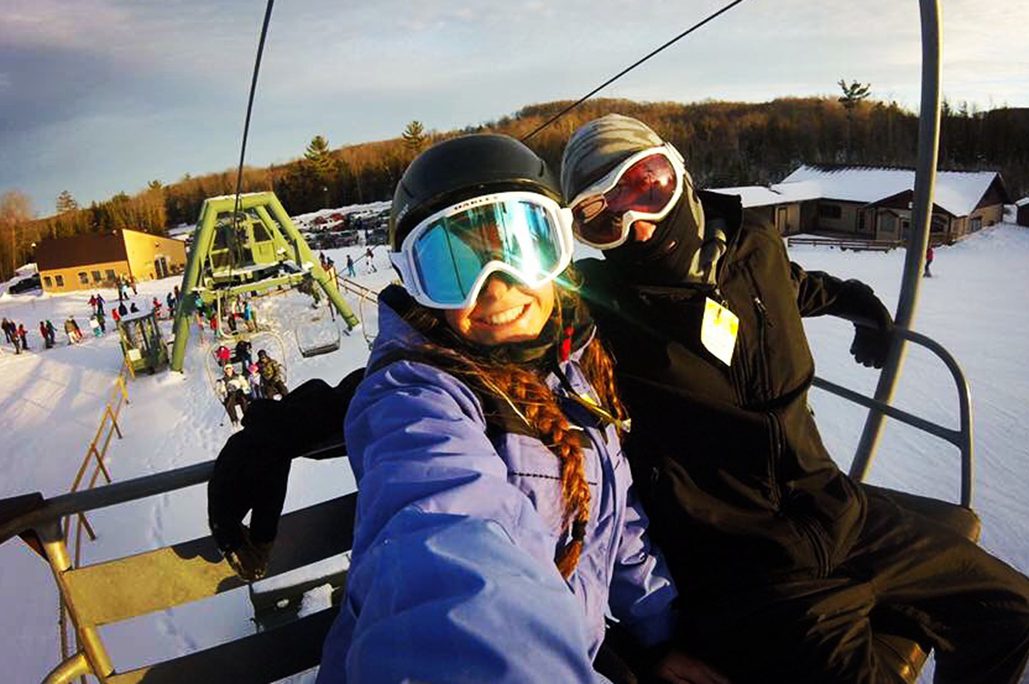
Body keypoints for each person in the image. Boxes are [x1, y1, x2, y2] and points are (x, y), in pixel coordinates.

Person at [560, 114, 1029, 683]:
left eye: (644, 186)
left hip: (837, 510)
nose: (635, 224)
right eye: (601, 217)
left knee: (1011, 613)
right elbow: (495, 364)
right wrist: (627, 648)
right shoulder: (596, 310)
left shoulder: (752, 246)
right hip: (752, 570)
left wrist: (857, 303)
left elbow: (791, 285)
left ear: (679, 171)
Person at [313, 134, 715, 683]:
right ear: (414, 284)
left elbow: (617, 524)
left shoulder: (574, 365)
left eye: (522, 247)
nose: (497, 290)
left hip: (589, 649)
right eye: (454, 267)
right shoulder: (418, 399)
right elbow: (447, 546)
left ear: (559, 249)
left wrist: (659, 638)